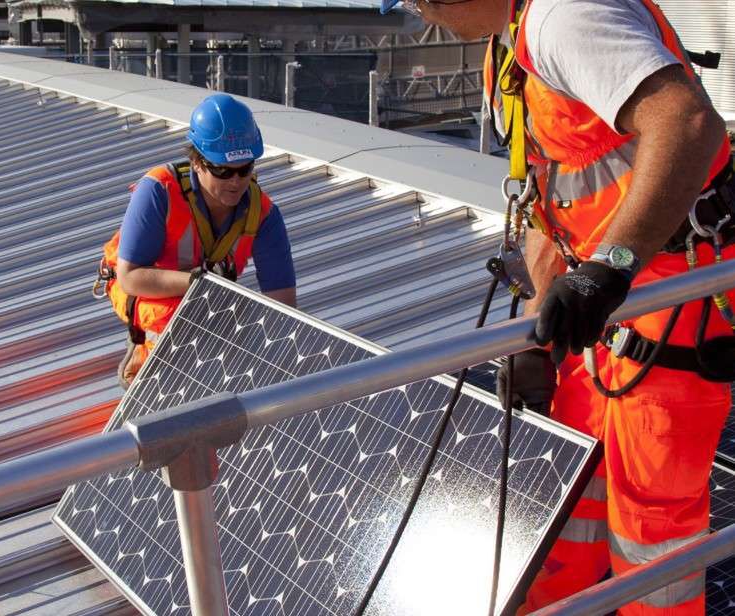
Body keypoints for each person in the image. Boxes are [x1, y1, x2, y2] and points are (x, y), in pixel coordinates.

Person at [379, 0, 735, 613]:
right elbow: (549, 200)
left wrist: (610, 270)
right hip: (601, 308)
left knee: (653, 529)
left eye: (419, 1)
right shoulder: (508, 47)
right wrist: (536, 331)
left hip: (667, 303)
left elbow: (687, 123)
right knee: (573, 496)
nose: (424, 17)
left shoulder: (564, 19)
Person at [99, 93, 296, 389]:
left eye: (245, 170)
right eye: (222, 170)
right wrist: (198, 283)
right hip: (152, 292)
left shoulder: (263, 213)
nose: (235, 181)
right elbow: (130, 278)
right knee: (175, 319)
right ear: (197, 162)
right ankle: (148, 374)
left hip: (208, 295)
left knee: (234, 318)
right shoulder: (158, 192)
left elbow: (283, 305)